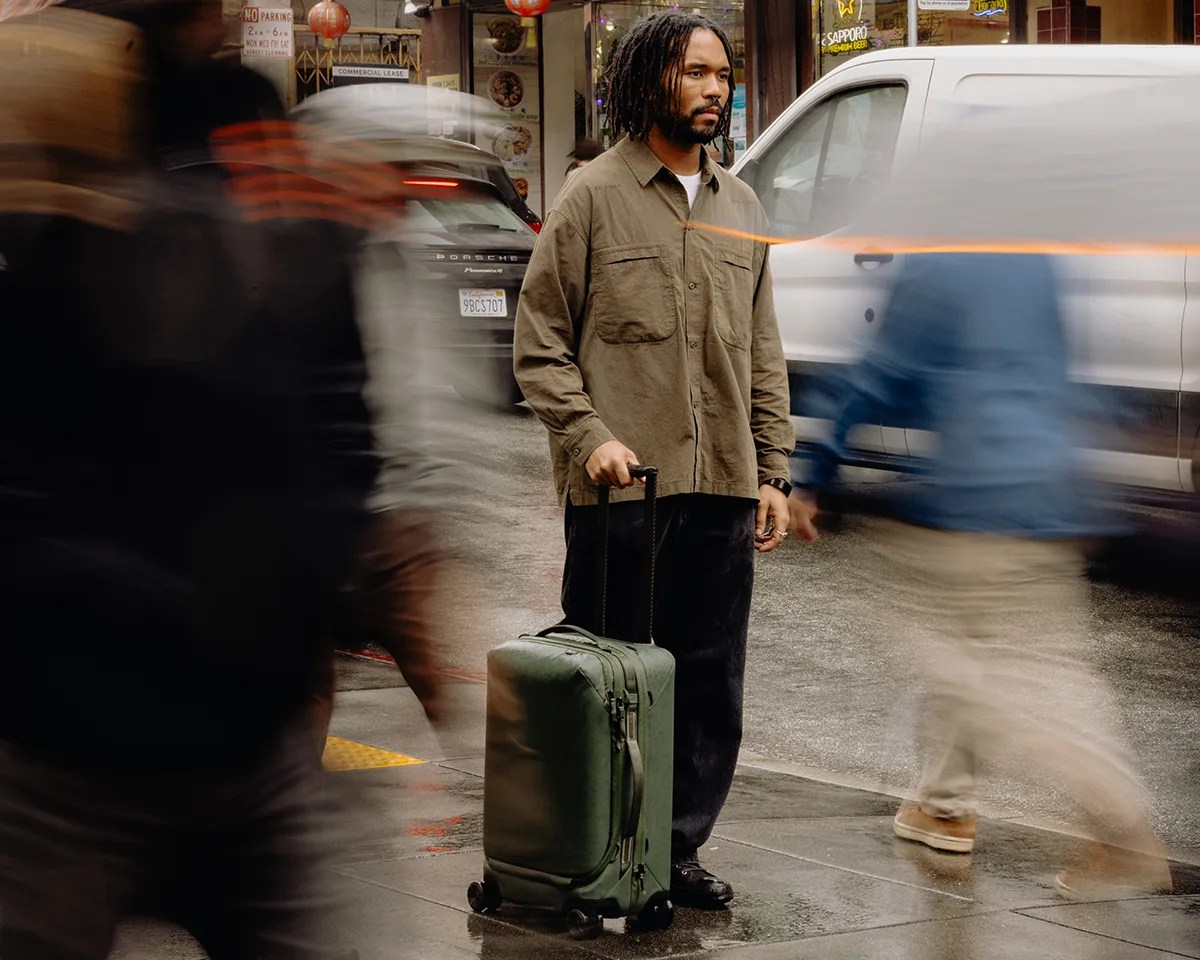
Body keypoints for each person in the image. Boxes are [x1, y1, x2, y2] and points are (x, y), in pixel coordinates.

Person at [0, 0, 380, 955]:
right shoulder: (48, 182)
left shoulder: (237, 117)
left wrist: (322, 558)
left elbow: (332, 388)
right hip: (64, 755)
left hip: (244, 745)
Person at [513, 10, 793, 909]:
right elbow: (540, 342)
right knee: (616, 684)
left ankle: (673, 855)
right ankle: (594, 853)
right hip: (621, 493)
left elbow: (761, 351)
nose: (715, 89)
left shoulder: (742, 207)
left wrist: (774, 472)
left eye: (724, 74)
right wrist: (590, 438)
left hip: (720, 486)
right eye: (696, 73)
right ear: (649, 81)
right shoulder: (593, 197)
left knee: (709, 684)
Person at [790, 253, 1172, 900]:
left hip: (979, 494)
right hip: (1049, 489)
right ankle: (944, 806)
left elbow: (885, 370)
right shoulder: (1036, 257)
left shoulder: (942, 257)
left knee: (980, 677)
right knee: (981, 647)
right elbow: (1065, 368)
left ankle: (1124, 830)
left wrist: (818, 468)